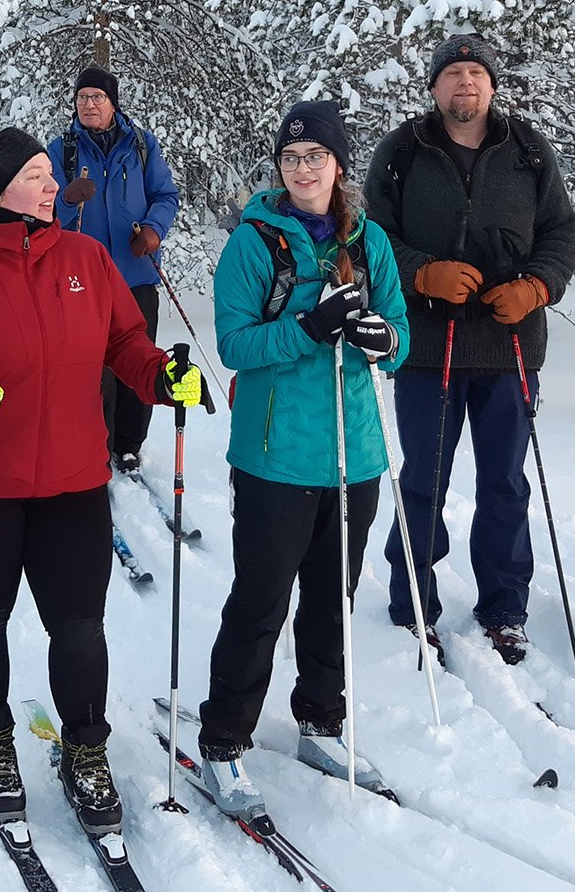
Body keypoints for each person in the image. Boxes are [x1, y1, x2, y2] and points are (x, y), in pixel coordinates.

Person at [0, 128, 206, 834]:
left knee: (79, 626)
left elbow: (125, 344)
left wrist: (163, 377)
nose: (54, 184)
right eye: (37, 174)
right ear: (0, 190)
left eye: (49, 173)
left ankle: (85, 750)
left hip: (71, 481)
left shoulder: (86, 258)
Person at [193, 100, 409, 815]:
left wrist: (381, 339)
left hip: (356, 457)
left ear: (339, 163)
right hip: (274, 456)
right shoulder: (256, 243)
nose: (303, 169)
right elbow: (235, 345)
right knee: (260, 601)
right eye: (291, 159)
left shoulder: (369, 239)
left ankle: (321, 720)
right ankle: (223, 740)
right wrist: (308, 326)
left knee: (332, 603)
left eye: (315, 157)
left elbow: (401, 335)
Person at [366, 33, 575, 667]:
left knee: (505, 483)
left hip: (508, 346)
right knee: (424, 481)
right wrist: (419, 273)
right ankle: (412, 603)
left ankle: (505, 607)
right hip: (427, 346)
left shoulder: (529, 152)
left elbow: (560, 232)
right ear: (434, 87)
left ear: (492, 85)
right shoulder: (402, 151)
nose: (466, 82)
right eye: (453, 72)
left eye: (475, 72)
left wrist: (538, 287)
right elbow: (370, 237)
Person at [47, 66, 181, 471]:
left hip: (137, 274)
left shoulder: (141, 145)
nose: (89, 104)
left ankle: (128, 444)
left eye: (97, 97)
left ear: (112, 103)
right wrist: (67, 201)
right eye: (83, 97)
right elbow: (42, 210)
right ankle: (95, 442)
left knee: (138, 360)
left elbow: (165, 194)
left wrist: (154, 232)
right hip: (82, 281)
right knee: (92, 368)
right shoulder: (62, 150)